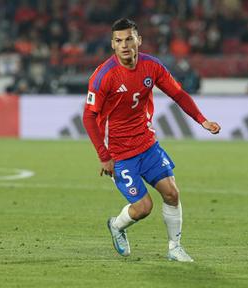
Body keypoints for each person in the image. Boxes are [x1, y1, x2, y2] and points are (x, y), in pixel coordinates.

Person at [82, 18, 221, 262]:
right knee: (144, 208)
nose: (124, 45)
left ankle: (174, 247)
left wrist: (203, 120)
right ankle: (117, 226)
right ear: (112, 45)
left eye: (128, 39)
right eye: (118, 40)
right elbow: (89, 116)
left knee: (172, 194)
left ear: (139, 40)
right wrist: (104, 156)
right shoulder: (104, 76)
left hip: (147, 145)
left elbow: (178, 94)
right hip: (120, 154)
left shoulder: (151, 66)